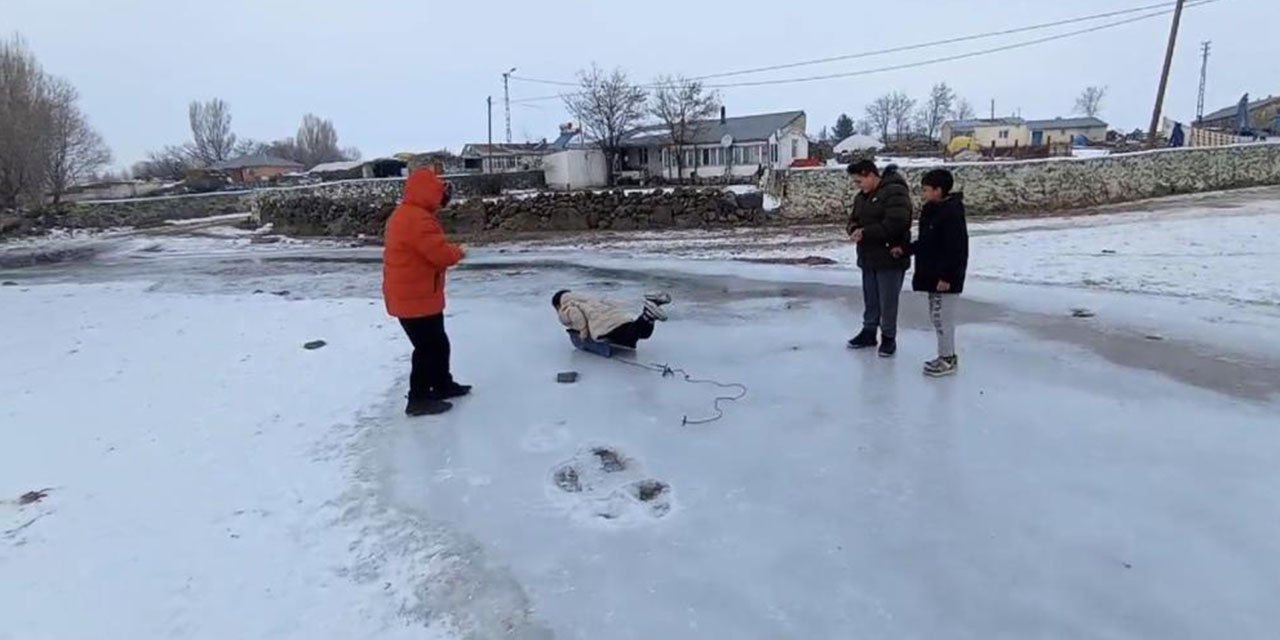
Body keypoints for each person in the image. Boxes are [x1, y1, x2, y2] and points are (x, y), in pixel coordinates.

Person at [382, 169, 470, 417]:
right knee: (427, 348)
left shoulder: (406, 215)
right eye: (441, 194)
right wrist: (459, 251)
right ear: (429, 193)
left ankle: (442, 384)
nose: (443, 201)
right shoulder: (417, 220)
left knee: (437, 344)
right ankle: (418, 398)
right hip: (414, 299)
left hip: (417, 295)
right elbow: (439, 254)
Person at [893, 168, 969, 377]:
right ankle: (944, 355)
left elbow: (957, 248)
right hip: (931, 273)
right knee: (936, 317)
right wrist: (906, 249)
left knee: (943, 318)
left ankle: (948, 358)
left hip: (945, 278)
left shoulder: (952, 213)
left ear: (939, 190)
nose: (923, 193)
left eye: (926, 190)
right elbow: (927, 242)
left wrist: (947, 277)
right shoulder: (931, 210)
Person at [845, 160, 913, 357]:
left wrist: (865, 232)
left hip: (890, 256)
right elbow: (853, 219)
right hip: (868, 256)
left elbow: (897, 223)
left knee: (888, 301)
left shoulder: (895, 193)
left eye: (859, 181)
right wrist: (853, 230)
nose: (858, 186)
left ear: (870, 174)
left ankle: (888, 338)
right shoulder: (862, 198)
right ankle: (868, 332)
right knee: (871, 298)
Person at [552, 290, 671, 349]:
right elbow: (611, 302)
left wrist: (583, 331)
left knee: (628, 335)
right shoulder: (589, 298)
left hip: (604, 326)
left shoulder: (566, 307)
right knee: (641, 333)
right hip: (618, 316)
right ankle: (649, 315)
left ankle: (648, 314)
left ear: (558, 305)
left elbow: (576, 315)